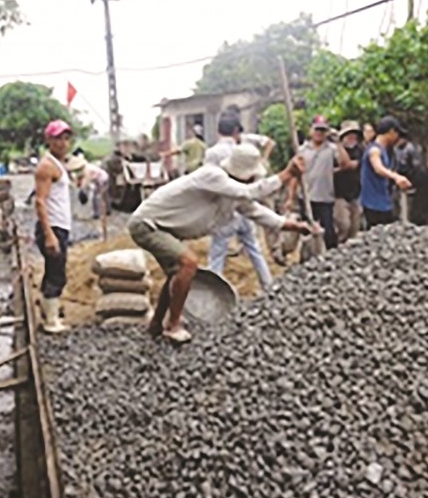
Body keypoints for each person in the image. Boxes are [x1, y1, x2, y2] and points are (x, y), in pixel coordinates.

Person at [128, 144, 310, 342]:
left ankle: (156, 324)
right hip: (147, 225)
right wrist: (286, 174)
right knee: (188, 263)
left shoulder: (233, 194)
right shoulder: (213, 176)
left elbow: (257, 212)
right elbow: (250, 193)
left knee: (176, 273)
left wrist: (290, 225)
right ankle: (173, 325)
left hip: (165, 230)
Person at [204, 109, 276, 289]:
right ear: (236, 131)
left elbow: (209, 182)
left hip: (225, 210)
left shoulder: (212, 153)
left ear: (218, 131)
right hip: (246, 205)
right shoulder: (244, 150)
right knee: (254, 248)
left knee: (217, 255)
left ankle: (213, 291)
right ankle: (268, 285)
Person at [287, 115, 354, 250]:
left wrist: (339, 143)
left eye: (323, 130)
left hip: (325, 197)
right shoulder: (302, 150)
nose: (319, 133)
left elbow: (345, 164)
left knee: (328, 231)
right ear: (311, 130)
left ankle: (331, 256)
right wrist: (290, 197)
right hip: (306, 197)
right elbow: (295, 175)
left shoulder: (331, 149)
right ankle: (306, 257)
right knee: (307, 230)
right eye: (317, 130)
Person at [34, 119, 75, 333]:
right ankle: (51, 322)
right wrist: (49, 235)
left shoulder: (58, 164)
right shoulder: (47, 166)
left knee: (53, 270)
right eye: (58, 138)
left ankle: (49, 312)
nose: (63, 142)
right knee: (56, 274)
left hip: (59, 226)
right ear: (48, 140)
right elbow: (40, 201)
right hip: (53, 227)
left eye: (66, 138)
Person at [360, 116, 413, 228]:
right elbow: (378, 168)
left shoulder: (386, 151)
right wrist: (396, 177)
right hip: (373, 203)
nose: (398, 138)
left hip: (384, 201)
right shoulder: (375, 150)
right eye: (397, 133)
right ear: (391, 132)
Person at [333, 120, 365, 244]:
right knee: (343, 225)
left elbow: (347, 164)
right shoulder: (333, 150)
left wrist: (339, 169)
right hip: (338, 194)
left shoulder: (360, 150)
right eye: (348, 134)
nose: (352, 137)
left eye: (354, 134)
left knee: (354, 228)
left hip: (355, 193)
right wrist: (339, 145)